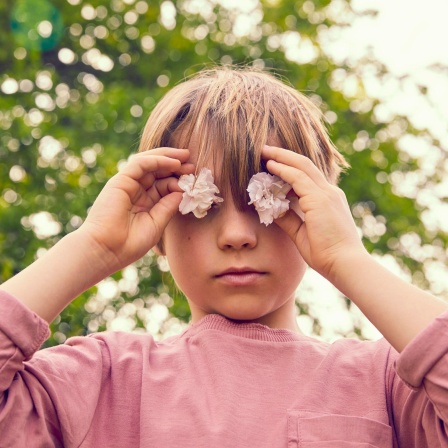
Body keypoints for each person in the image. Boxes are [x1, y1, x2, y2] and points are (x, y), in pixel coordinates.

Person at [0, 67, 447, 448]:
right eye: (202, 204)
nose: (236, 235)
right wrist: (92, 246)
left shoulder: (386, 384)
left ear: (316, 211)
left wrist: (347, 258)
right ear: (157, 225)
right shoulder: (104, 380)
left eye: (266, 200)